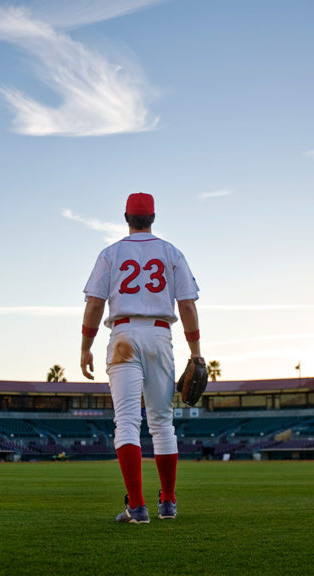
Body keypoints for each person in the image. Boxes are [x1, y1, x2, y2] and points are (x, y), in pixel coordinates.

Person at [80, 192, 202, 524]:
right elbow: (187, 305)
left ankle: (137, 506)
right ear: (153, 217)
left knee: (128, 422)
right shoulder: (171, 252)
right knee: (163, 423)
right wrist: (196, 353)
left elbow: (94, 304)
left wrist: (85, 346)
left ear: (126, 217)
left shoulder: (111, 253)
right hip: (161, 334)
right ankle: (168, 503)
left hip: (124, 336)